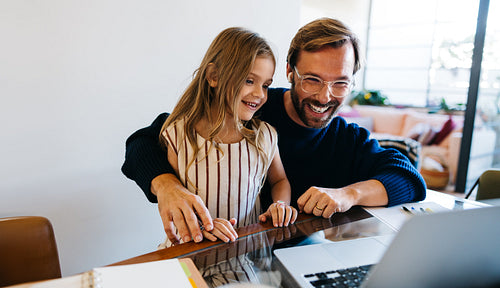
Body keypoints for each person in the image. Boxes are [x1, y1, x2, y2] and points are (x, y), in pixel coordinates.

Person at [122, 18, 427, 246]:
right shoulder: (250, 111)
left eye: (340, 83)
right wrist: (166, 186)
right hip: (220, 248)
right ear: (289, 72)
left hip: (288, 253)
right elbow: (142, 142)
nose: (325, 97)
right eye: (312, 80)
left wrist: (348, 194)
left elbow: (408, 178)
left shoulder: (345, 137)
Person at [156, 27, 297, 247]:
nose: (260, 94)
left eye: (266, 85)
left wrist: (279, 204)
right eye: (249, 81)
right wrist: (205, 226)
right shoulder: (177, 135)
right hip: (187, 252)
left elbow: (279, 180)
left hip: (244, 256)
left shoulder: (266, 136)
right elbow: (173, 204)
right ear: (214, 76)